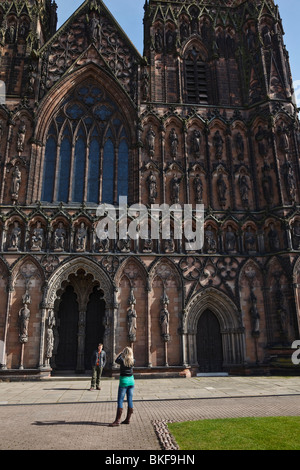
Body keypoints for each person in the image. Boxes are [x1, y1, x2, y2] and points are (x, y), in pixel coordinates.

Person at [110, 347, 135, 426]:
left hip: (124, 381)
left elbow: (116, 360)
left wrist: (121, 353)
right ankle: (128, 419)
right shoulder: (133, 361)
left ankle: (117, 421)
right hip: (131, 381)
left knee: (120, 400)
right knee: (130, 400)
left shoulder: (122, 360)